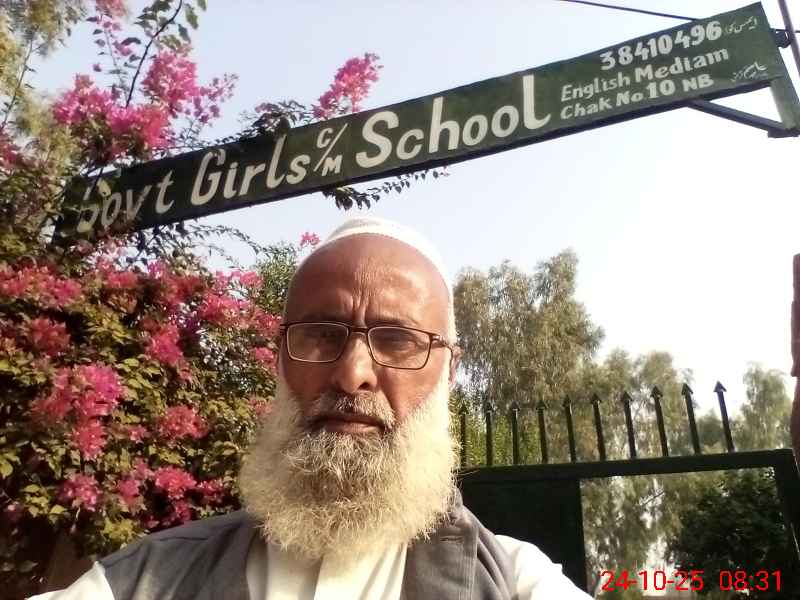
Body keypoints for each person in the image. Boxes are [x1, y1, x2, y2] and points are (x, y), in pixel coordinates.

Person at [33, 217, 591, 599]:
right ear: (279, 359)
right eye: (322, 334)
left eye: (398, 340)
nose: (352, 373)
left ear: (448, 372)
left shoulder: (514, 582)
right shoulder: (142, 582)